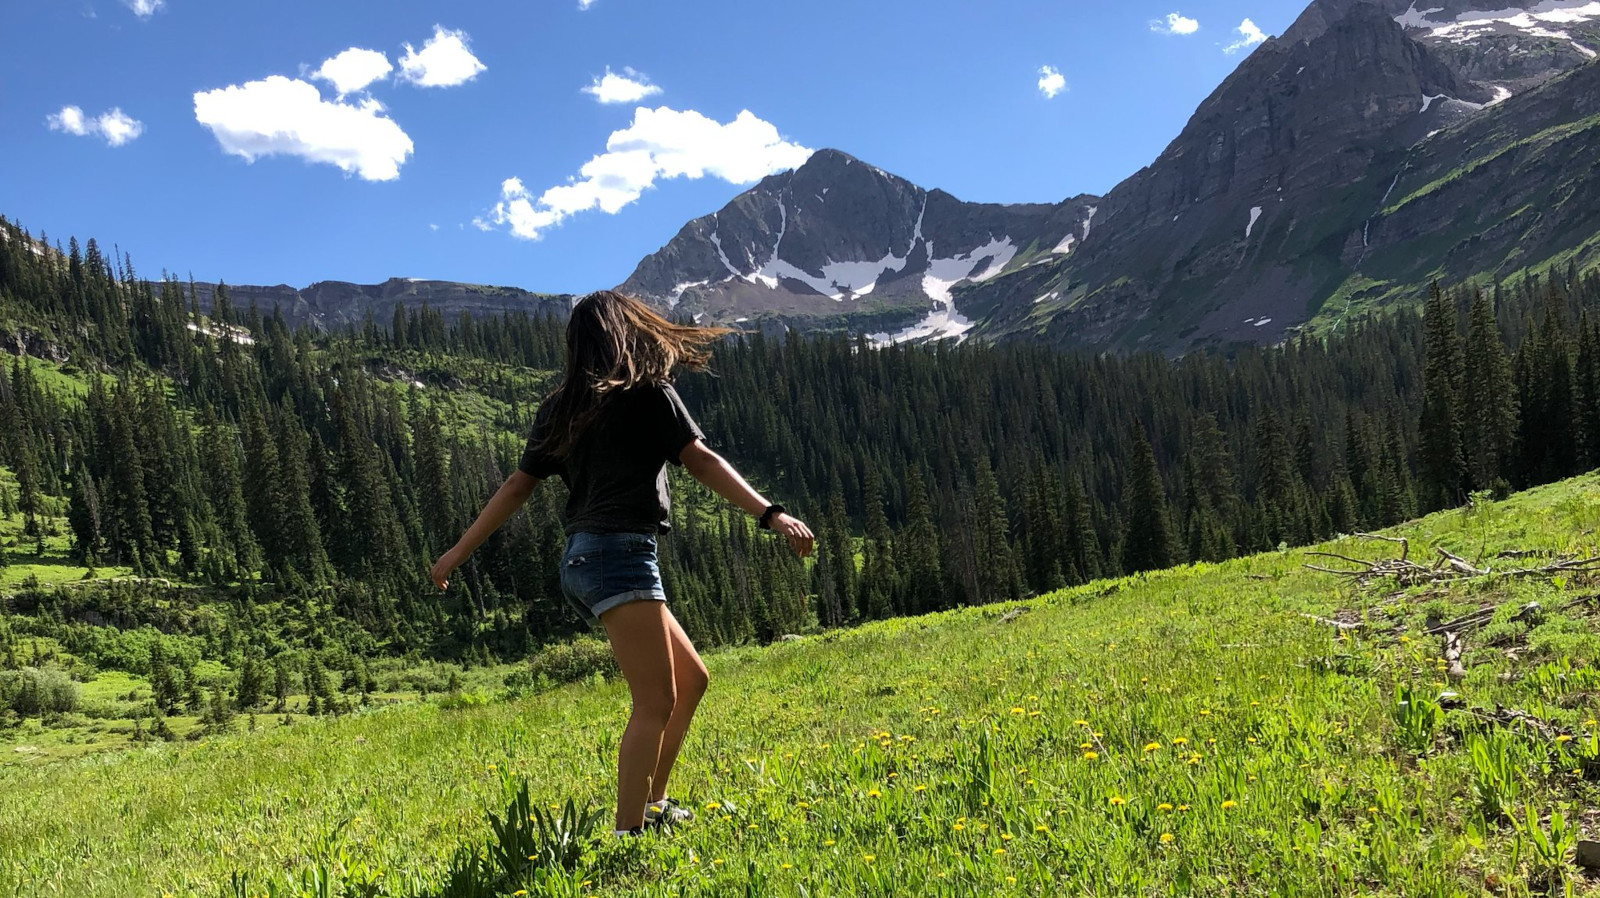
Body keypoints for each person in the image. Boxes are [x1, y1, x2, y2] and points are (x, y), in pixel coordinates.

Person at [429, 290, 815, 837]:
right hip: (619, 554)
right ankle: (627, 835)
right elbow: (699, 460)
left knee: (692, 679)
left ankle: (652, 807)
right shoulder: (648, 393)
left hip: (585, 560)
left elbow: (517, 487)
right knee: (656, 700)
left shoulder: (560, 406)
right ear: (625, 330)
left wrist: (455, 553)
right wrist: (770, 513)